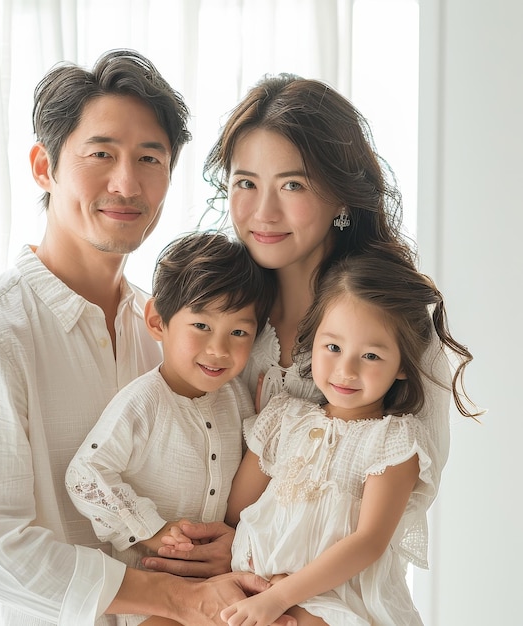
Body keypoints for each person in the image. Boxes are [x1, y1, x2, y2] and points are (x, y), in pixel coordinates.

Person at [0, 49, 290, 626]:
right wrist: (178, 599)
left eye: (150, 158)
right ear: (44, 167)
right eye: (101, 154)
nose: (126, 182)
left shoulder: (178, 331)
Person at [142, 73, 453, 578]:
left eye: (292, 184)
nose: (263, 212)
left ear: (343, 197)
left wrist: (256, 552)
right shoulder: (213, 313)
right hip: (208, 584)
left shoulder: (392, 317)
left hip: (329, 596)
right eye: (246, 183)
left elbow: (410, 491)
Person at [164, 254, 482, 625]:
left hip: (336, 597)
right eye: (333, 348)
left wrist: (284, 594)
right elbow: (237, 511)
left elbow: (369, 542)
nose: (346, 370)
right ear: (312, 343)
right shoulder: (283, 418)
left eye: (371, 355)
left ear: (401, 367)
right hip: (252, 587)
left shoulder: (393, 442)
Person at [66, 231, 276, 626]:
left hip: (220, 580)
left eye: (239, 333)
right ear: (157, 321)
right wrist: (151, 528)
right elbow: (84, 476)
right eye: (201, 325)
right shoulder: (143, 401)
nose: (219, 348)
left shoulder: (235, 397)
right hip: (155, 591)